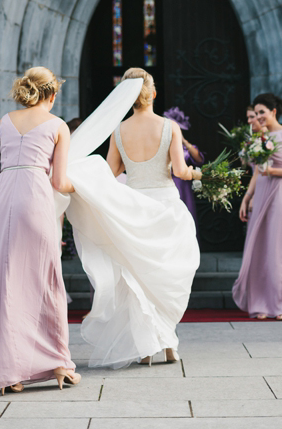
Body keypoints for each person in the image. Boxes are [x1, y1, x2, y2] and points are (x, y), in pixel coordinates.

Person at [62, 68, 201, 368]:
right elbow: (180, 172)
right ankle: (165, 344)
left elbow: (110, 173)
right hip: (164, 207)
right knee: (164, 274)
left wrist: (84, 181)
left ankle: (153, 345)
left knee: (137, 277)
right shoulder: (169, 127)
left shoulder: (118, 130)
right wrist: (200, 173)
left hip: (134, 206)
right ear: (152, 93)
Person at [0, 68, 79, 394]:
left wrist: (13, 179)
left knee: (6, 281)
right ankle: (59, 364)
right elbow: (59, 182)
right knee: (46, 279)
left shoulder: (3, 121)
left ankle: (11, 374)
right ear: (52, 94)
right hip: (36, 194)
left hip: (4, 194)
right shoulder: (58, 126)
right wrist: (82, 188)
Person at [232, 93, 282, 320]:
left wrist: (273, 171)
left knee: (279, 248)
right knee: (259, 247)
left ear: (273, 112)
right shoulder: (258, 137)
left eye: (262, 112)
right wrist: (246, 197)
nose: (259, 117)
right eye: (256, 113)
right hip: (261, 191)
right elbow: (256, 171)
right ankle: (260, 304)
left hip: (281, 193)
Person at [164, 107, 204, 232]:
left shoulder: (186, 147)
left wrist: (184, 141)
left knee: (186, 215)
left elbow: (199, 160)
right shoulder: (162, 144)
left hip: (183, 185)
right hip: (167, 183)